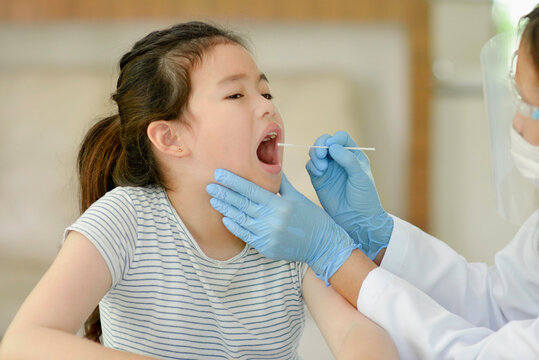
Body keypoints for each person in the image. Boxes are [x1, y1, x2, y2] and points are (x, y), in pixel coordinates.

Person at [0, 22, 399, 360]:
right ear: (170, 137)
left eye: (266, 92)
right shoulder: (124, 220)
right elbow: (23, 342)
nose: (266, 107)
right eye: (236, 95)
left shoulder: (292, 232)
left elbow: (359, 335)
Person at [205, 6, 539, 359]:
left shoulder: (293, 264)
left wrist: (335, 256)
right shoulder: (139, 222)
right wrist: (377, 236)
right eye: (236, 95)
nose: (517, 124)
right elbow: (497, 305)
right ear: (168, 137)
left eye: (531, 106)